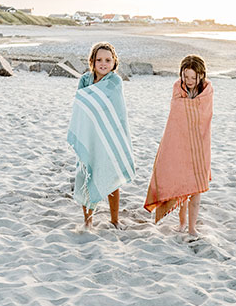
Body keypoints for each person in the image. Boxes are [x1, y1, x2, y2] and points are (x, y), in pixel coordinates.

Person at [67, 42, 135, 229]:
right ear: (92, 62)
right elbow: (81, 104)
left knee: (111, 174)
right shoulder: (85, 80)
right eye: (99, 60)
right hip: (89, 134)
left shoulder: (115, 82)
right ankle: (88, 221)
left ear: (114, 62)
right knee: (86, 175)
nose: (103, 64)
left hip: (109, 134)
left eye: (107, 60)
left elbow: (115, 111)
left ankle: (114, 220)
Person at [144, 54, 213, 236]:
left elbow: (204, 114)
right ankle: (182, 223)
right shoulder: (177, 87)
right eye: (186, 76)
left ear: (201, 76)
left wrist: (190, 106)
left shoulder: (207, 90)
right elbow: (178, 112)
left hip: (199, 144)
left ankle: (192, 228)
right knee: (182, 185)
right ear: (181, 74)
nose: (189, 81)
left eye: (193, 77)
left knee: (196, 188)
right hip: (179, 142)